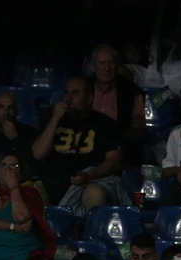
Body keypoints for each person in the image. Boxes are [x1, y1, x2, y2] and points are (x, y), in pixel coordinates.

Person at [32, 77, 124, 214]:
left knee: (95, 194)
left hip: (88, 184)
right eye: (66, 93)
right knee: (29, 192)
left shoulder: (105, 123)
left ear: (89, 99)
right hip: (53, 184)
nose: (68, 98)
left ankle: (90, 234)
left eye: (75, 93)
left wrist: (89, 175)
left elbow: (115, 161)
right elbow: (38, 154)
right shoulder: (54, 121)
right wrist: (55, 119)